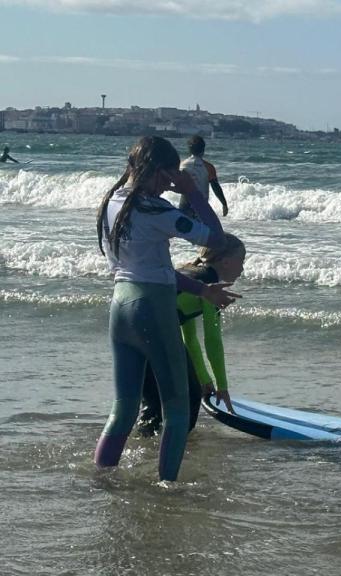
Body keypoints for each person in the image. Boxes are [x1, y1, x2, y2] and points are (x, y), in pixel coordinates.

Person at [94, 136, 238, 482]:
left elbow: (152, 267)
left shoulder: (111, 203)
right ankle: (166, 489)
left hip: (120, 308)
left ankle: (101, 479)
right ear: (155, 171)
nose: (169, 185)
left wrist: (201, 289)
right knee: (176, 409)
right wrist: (191, 191)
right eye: (168, 177)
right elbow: (217, 239)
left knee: (123, 408)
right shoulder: (155, 209)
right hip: (152, 311)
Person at [137, 234, 247, 436]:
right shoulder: (209, 285)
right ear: (225, 261)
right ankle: (178, 450)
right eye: (242, 261)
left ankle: (145, 450)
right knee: (190, 395)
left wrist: (205, 379)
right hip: (153, 333)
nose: (242, 269)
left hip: (132, 326)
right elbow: (212, 341)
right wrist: (222, 387)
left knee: (153, 406)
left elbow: (189, 338)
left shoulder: (192, 274)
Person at [179, 135, 229, 217]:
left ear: (189, 150)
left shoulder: (182, 165)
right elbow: (215, 187)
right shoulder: (208, 167)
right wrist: (224, 204)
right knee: (203, 229)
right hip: (201, 204)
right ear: (203, 149)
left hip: (184, 204)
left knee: (185, 228)